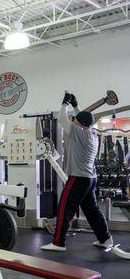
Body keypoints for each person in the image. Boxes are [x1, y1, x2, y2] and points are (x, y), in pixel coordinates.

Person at [41, 92, 113, 252]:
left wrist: (65, 104)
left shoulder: (78, 132)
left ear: (79, 124)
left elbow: (61, 119)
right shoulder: (92, 133)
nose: (74, 120)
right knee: (92, 209)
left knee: (64, 208)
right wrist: (75, 105)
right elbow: (82, 119)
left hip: (78, 178)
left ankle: (58, 243)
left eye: (76, 120)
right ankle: (105, 239)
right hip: (90, 178)